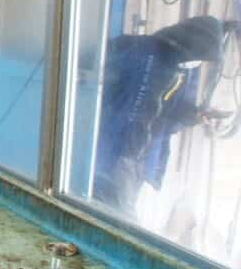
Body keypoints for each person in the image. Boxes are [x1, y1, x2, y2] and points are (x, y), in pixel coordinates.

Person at [94, 16, 225, 216]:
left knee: (117, 215)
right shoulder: (138, 49)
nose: (197, 63)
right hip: (111, 151)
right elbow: (92, 76)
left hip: (135, 156)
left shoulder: (180, 69)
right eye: (199, 56)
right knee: (118, 219)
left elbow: (166, 115)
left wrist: (196, 114)